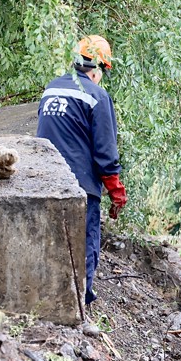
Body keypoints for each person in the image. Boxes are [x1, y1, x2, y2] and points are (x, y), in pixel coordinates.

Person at [37, 35, 126, 306]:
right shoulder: (96, 95)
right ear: (98, 69)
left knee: (50, 244)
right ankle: (79, 304)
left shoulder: (51, 89)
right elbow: (105, 151)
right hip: (81, 186)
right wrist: (117, 192)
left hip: (45, 182)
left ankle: (47, 300)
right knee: (84, 244)